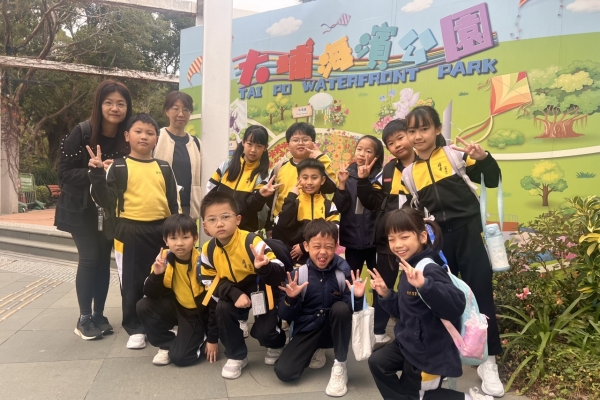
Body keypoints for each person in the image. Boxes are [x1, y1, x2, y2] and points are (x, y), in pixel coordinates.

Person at [403, 105, 504, 397]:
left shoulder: (455, 156)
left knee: (481, 296)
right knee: (441, 299)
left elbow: (492, 180)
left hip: (468, 234)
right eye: (412, 131)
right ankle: (442, 361)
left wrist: (483, 158)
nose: (418, 136)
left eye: (424, 129)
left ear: (437, 129)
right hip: (439, 243)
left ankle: (488, 361)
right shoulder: (409, 173)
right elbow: (415, 212)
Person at [368, 208, 493, 400]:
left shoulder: (429, 269)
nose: (397, 244)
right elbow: (404, 311)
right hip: (409, 343)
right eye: (392, 239)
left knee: (422, 395)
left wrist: (425, 285)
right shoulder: (408, 266)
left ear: (422, 237)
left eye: (404, 237)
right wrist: (385, 294)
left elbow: (455, 306)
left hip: (430, 351)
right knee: (378, 363)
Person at [88, 113, 180, 350]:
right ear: (127, 136)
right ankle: (135, 326)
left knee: (166, 277)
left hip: (161, 230)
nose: (144, 136)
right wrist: (97, 174)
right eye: (138, 131)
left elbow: (173, 202)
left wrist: (175, 231)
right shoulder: (118, 166)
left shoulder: (164, 167)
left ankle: (165, 320)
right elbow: (105, 200)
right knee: (131, 282)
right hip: (129, 230)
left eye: (150, 133)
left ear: (156, 138)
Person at [55, 80, 132, 341]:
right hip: (80, 209)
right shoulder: (82, 132)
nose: (115, 108)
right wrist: (94, 172)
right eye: (109, 102)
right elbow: (64, 175)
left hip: (108, 209)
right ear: (99, 105)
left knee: (102, 261)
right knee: (89, 258)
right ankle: (84, 318)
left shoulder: (126, 138)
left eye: (120, 103)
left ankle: (98, 314)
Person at [199, 191, 287, 380]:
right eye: (212, 220)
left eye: (225, 217)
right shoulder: (208, 250)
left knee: (264, 333)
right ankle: (237, 355)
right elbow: (209, 281)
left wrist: (265, 267)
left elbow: (279, 269)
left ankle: (276, 343)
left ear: (238, 219)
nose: (219, 224)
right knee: (222, 308)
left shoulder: (252, 241)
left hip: (261, 286)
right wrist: (233, 293)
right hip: (232, 289)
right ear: (205, 226)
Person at [274, 219, 366, 397]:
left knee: (340, 308)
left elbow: (353, 313)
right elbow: (285, 315)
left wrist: (357, 297)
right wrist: (291, 299)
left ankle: (340, 364)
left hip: (333, 329)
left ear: (336, 247)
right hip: (308, 328)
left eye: (329, 247)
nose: (323, 252)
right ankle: (315, 349)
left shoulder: (343, 274)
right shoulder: (297, 275)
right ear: (306, 246)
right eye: (317, 246)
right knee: (284, 372)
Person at [355, 119, 415, 347]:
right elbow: (372, 202)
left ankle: (413, 329)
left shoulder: (426, 165)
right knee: (383, 284)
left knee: (413, 285)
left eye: (401, 137)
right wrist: (363, 181)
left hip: (418, 242)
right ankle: (378, 330)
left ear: (411, 136)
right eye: (391, 142)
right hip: (388, 241)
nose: (397, 144)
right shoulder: (387, 171)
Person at [136, 214, 219, 366]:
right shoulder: (164, 258)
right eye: (173, 238)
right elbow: (150, 294)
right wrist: (157, 274)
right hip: (176, 307)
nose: (179, 243)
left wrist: (213, 338)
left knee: (181, 358)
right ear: (165, 240)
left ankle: (201, 337)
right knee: (143, 305)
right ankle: (167, 343)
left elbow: (214, 301)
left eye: (185, 237)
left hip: (197, 315)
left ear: (195, 238)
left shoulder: (203, 261)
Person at [268, 122, 337, 237]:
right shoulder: (280, 167)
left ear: (313, 143)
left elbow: (332, 187)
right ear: (288, 144)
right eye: (295, 140)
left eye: (305, 139)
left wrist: (321, 158)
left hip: (312, 228)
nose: (300, 143)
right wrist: (269, 225)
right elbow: (271, 198)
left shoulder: (318, 167)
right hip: (283, 225)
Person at [207, 125, 278, 232]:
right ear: (243, 142)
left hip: (246, 232)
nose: (253, 150)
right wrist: (209, 219)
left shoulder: (263, 176)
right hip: (221, 227)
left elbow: (253, 208)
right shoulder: (227, 165)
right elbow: (210, 191)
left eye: (259, 146)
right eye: (250, 144)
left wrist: (260, 196)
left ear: (265, 148)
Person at [333, 135, 384, 273]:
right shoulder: (347, 174)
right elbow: (340, 207)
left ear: (376, 156)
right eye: (359, 149)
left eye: (368, 151)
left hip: (375, 241)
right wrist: (342, 184)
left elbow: (373, 203)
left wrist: (364, 180)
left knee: (378, 280)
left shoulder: (380, 177)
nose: (362, 154)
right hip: (352, 240)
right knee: (351, 280)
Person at [274, 158, 340, 264]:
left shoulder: (329, 206)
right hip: (295, 261)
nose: (309, 182)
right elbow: (282, 225)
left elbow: (333, 232)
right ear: (298, 179)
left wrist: (304, 246)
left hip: (321, 261)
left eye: (314, 178)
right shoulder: (293, 203)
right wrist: (291, 197)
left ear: (322, 180)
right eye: (305, 178)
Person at [155, 91, 202, 219]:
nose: (181, 114)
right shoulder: (157, 137)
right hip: (161, 207)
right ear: (167, 111)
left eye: (186, 110)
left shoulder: (196, 143)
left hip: (188, 209)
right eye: (175, 109)